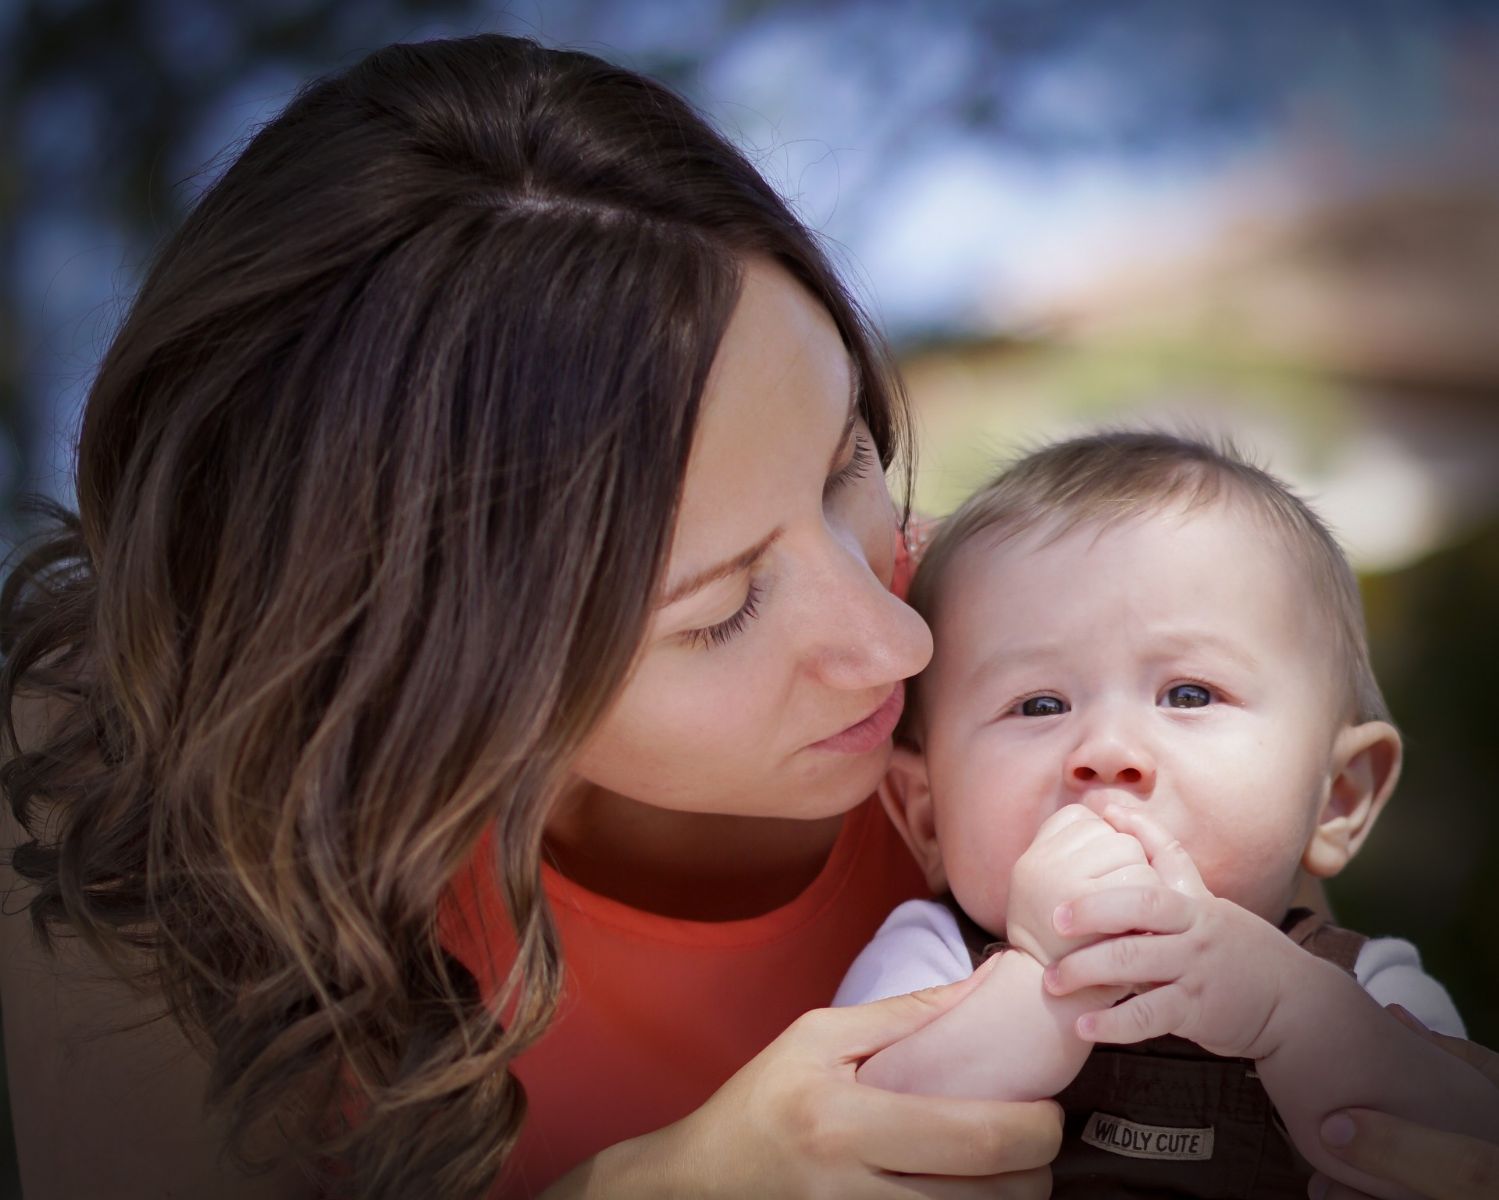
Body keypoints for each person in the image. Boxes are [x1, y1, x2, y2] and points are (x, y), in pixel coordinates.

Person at [0, 32, 1066, 1200]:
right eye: (717, 613)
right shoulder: (113, 802)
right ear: (410, 662)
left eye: (844, 466)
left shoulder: (1035, 675)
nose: (896, 642)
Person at [834, 432, 1499, 1198]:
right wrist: (1042, 981)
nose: (1107, 750)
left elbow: (1467, 1145)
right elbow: (857, 1137)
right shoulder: (931, 962)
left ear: (1337, 797)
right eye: (1039, 704)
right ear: (925, 818)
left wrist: (1288, 1013)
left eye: (1188, 695)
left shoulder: (1365, 984)